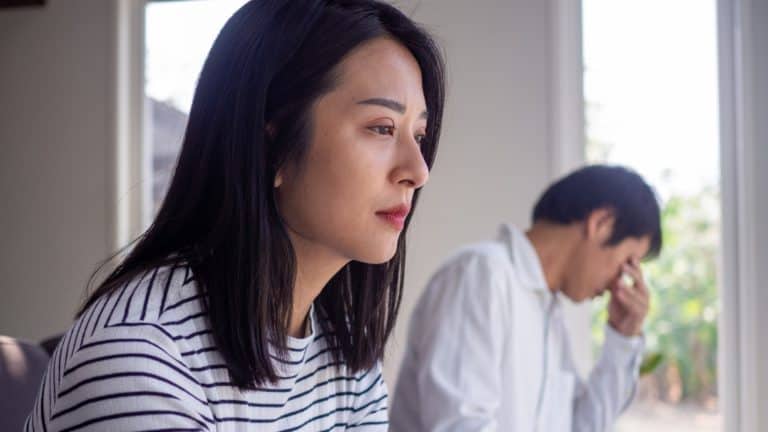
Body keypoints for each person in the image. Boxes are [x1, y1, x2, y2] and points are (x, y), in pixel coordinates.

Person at [25, 0, 445, 430]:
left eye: (419, 135)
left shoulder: (344, 355)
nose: (418, 171)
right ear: (273, 145)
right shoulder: (141, 352)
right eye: (382, 128)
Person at [391, 165, 663, 431]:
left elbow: (582, 425)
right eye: (628, 262)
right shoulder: (481, 275)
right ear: (602, 223)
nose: (621, 281)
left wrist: (623, 337)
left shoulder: (547, 310)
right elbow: (461, 424)